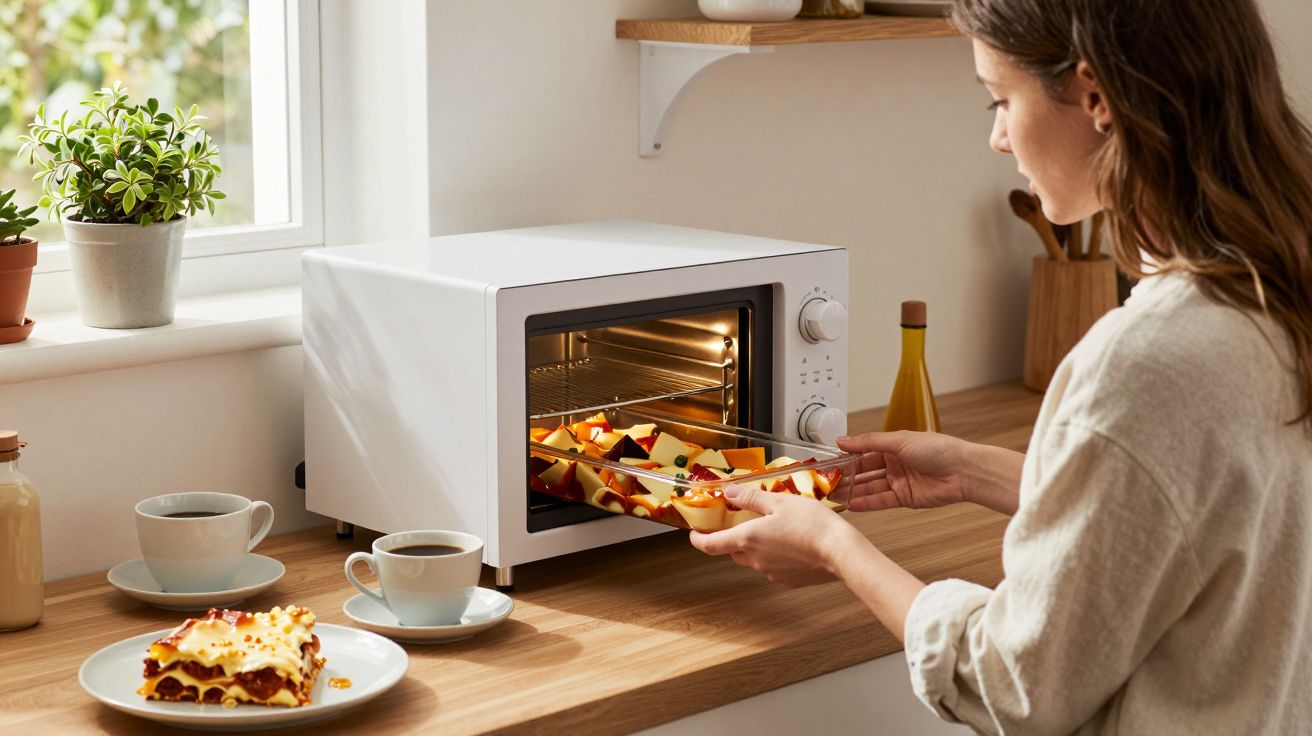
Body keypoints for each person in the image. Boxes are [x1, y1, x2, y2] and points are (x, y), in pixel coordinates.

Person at [690, 0, 1312, 732]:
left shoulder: (1145, 364)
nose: (995, 137)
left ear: (1095, 96)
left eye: (1000, 99)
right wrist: (981, 473)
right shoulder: (1274, 285)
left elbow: (1012, 686)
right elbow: (1204, 520)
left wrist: (835, 548)